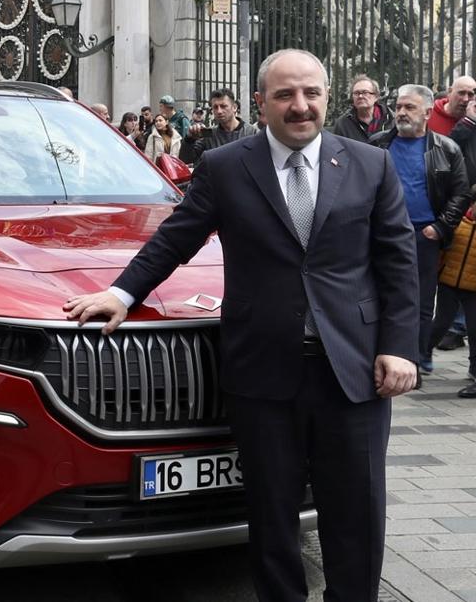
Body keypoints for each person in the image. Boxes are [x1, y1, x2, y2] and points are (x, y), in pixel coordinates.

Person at [63, 49, 418, 601]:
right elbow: (176, 238)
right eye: (285, 95)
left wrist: (400, 348)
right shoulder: (228, 166)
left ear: (328, 95)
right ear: (261, 103)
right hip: (262, 373)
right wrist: (121, 292)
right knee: (272, 514)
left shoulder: (370, 164)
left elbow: (398, 262)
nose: (300, 107)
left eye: (311, 93)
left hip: (353, 372)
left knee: (357, 512)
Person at [369, 84, 468, 375]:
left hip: (423, 235)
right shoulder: (378, 144)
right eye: (399, 106)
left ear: (427, 112)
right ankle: (381, 351)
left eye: (409, 107)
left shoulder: (446, 148)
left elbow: (461, 193)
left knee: (422, 299)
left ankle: (420, 355)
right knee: (377, 292)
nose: (401, 112)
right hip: (382, 233)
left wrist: (440, 227)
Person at [437, 70, 476, 352]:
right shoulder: (470, 122)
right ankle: (457, 328)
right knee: (466, 257)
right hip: (472, 201)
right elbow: (450, 148)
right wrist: (469, 120)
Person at [426, 183, 476, 397]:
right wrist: (437, 272)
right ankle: (424, 352)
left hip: (474, 288)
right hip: (448, 283)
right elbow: (442, 251)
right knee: (441, 323)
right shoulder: (457, 225)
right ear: (471, 204)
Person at [183, 87, 258, 165]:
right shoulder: (209, 135)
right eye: (215, 107)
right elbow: (186, 160)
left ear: (234, 107)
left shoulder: (252, 132)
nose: (219, 111)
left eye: (223, 106)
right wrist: (189, 139)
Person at [332, 74, 392, 142]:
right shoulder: (343, 124)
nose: (360, 96)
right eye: (356, 93)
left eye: (365, 92)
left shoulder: (390, 120)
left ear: (376, 97)